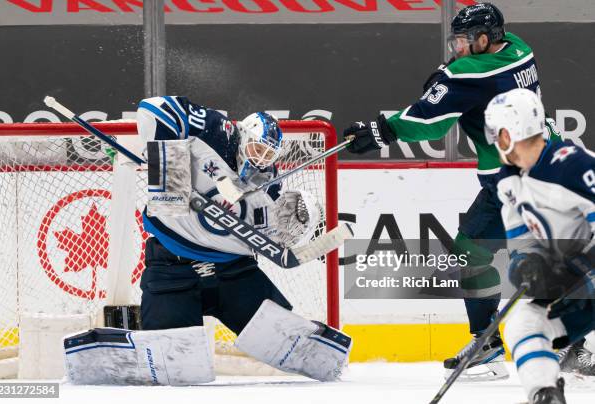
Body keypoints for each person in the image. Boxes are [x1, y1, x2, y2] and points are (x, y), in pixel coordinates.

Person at [63, 96, 352, 385]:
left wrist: (295, 223)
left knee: (287, 340)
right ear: (243, 137)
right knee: (173, 366)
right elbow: (154, 107)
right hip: (173, 271)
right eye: (256, 148)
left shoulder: (270, 182)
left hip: (234, 274)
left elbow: (266, 238)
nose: (259, 159)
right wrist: (169, 170)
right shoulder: (216, 130)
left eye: (267, 155)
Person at [342, 2, 561, 380]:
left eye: (462, 41)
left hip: (520, 178)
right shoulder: (519, 47)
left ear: (483, 38)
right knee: (473, 252)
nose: (456, 48)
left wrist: (380, 131)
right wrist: (448, 77)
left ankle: (568, 346)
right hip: (534, 168)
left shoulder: (471, 72)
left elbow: (429, 124)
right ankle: (488, 344)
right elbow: (462, 81)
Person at [485, 88, 595, 404]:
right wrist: (528, 267)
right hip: (579, 287)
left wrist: (578, 269)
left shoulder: (572, 165)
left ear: (513, 129)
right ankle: (545, 394)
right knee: (523, 322)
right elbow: (523, 242)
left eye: (497, 132)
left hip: (584, 278)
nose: (494, 140)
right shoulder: (508, 181)